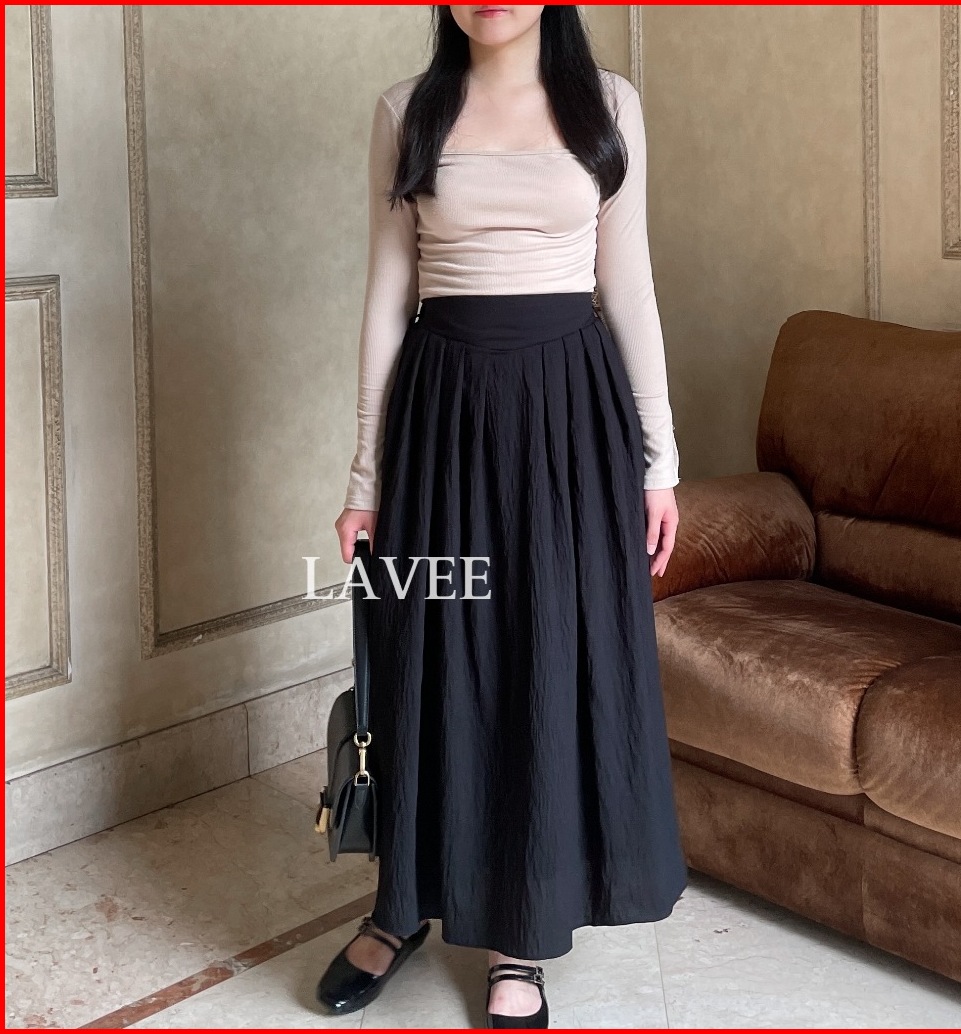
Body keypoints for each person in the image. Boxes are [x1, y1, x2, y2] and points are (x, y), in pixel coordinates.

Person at [320, 4, 687, 1028]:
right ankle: (401, 903)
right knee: (427, 654)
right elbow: (388, 292)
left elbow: (628, 282)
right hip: (441, 414)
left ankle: (520, 933)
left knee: (541, 659)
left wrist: (659, 460)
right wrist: (364, 479)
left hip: (570, 415)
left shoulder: (609, 104)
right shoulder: (407, 110)